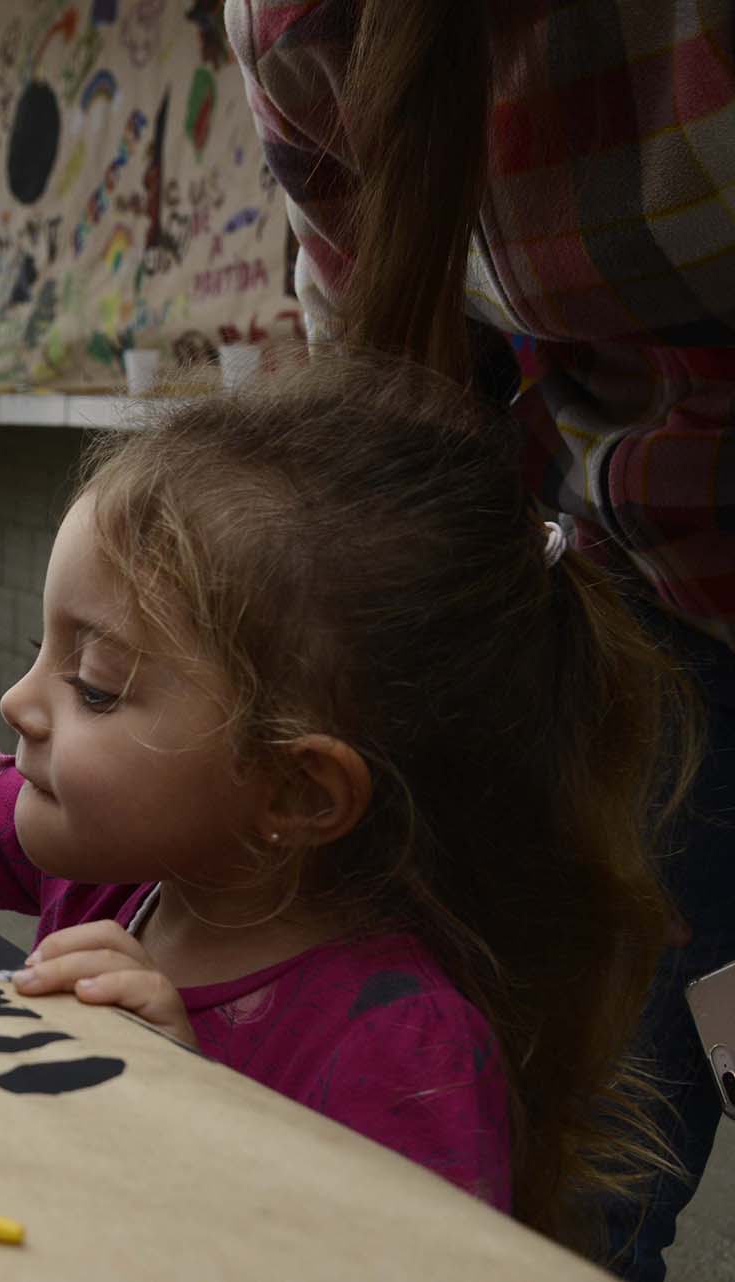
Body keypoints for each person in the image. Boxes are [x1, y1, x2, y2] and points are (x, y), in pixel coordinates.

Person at [0, 364, 689, 1249]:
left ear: (296, 788)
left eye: (96, 684)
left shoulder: (404, 1050)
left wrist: (194, 1116)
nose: (19, 701)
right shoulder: (127, 874)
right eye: (39, 649)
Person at [225, 7, 735, 1274]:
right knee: (580, 1180)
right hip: (639, 583)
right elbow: (387, 376)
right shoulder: (300, 24)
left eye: (102, 680)